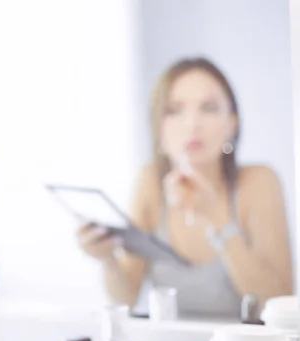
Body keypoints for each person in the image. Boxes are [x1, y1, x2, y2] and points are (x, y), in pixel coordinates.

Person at [77, 57, 293, 317]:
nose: (193, 124)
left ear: (232, 123)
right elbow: (127, 298)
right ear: (159, 127)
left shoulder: (258, 182)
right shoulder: (150, 182)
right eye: (175, 110)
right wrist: (107, 258)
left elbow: (277, 303)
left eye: (209, 108)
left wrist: (218, 221)